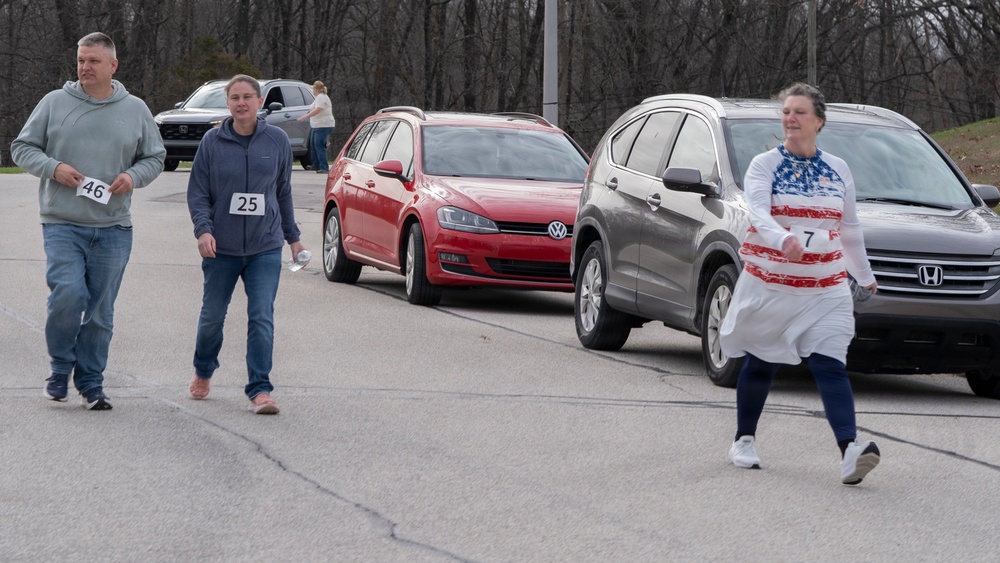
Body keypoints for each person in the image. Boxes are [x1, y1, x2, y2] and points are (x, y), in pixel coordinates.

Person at [719, 83, 881, 485]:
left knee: (830, 363)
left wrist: (864, 276)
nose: (790, 118)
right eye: (786, 112)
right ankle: (744, 439)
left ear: (819, 121)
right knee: (762, 361)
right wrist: (783, 240)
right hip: (772, 284)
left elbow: (850, 228)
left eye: (800, 112)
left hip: (826, 287)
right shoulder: (765, 165)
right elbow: (758, 211)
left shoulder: (838, 169)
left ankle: (849, 451)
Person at [10, 32, 165, 411]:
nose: (85, 67)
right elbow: (21, 148)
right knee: (68, 295)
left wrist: (132, 176)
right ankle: (60, 369)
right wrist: (54, 167)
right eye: (81, 60)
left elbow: (155, 157)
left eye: (93, 61)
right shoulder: (54, 103)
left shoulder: (135, 109)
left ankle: (92, 384)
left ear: (113, 65)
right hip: (62, 222)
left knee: (99, 312)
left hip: (114, 228)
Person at [187, 74, 307, 415]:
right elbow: (198, 192)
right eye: (235, 98)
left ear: (259, 102)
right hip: (221, 248)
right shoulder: (212, 142)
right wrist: (203, 231)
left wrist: (294, 239)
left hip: (264, 246)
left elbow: (282, 192)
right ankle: (204, 369)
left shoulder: (277, 140)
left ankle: (260, 389)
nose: (241, 103)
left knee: (261, 316)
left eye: (247, 97)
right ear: (228, 104)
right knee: (212, 316)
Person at [296, 80, 336, 173]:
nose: (313, 91)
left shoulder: (321, 97)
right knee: (314, 145)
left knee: (319, 146)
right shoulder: (319, 97)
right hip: (316, 125)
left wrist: (306, 116)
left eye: (313, 89)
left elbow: (318, 109)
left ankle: (324, 167)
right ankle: (316, 165)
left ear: (317, 89)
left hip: (323, 125)